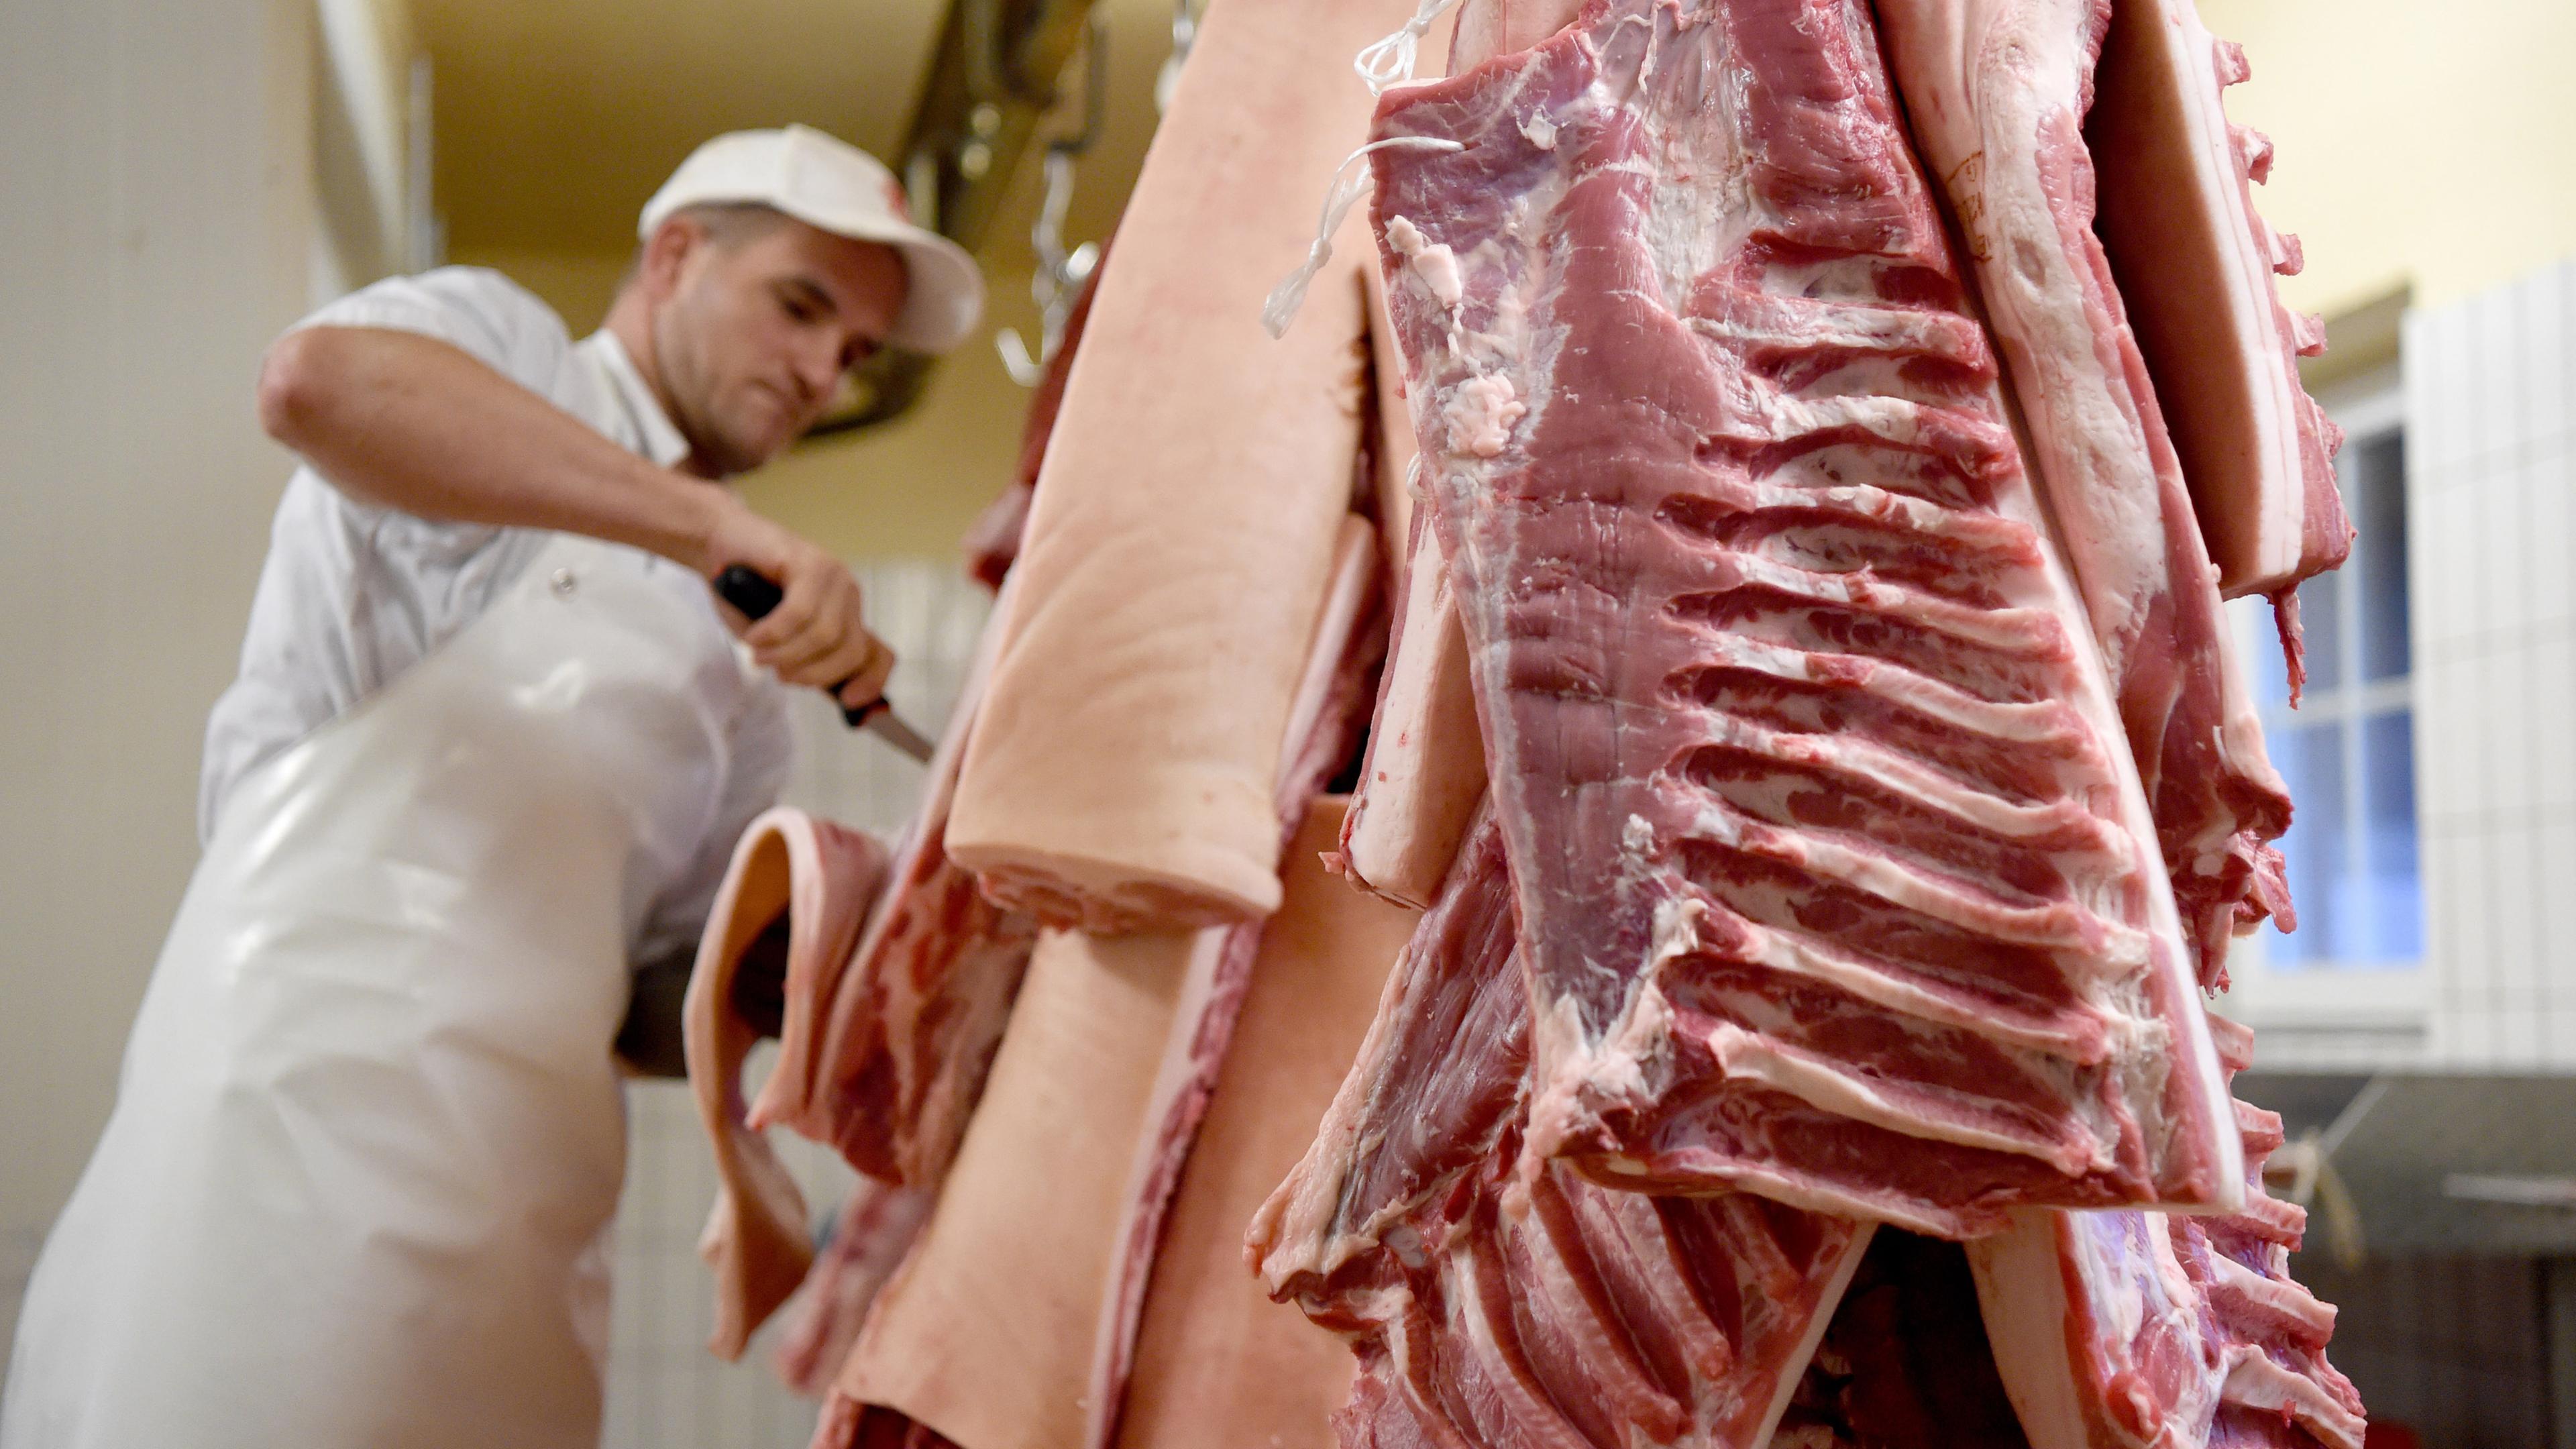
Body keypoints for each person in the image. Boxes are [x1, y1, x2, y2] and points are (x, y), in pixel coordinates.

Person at [0, 123, 983, 1449]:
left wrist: (857, 948)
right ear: (674, 258)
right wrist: (707, 525)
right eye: (800, 308)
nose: (823, 372)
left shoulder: (739, 681)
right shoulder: (514, 359)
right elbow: (314, 385)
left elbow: (656, 1009)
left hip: (522, 1225)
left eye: (856, 353)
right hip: (280, 1162)